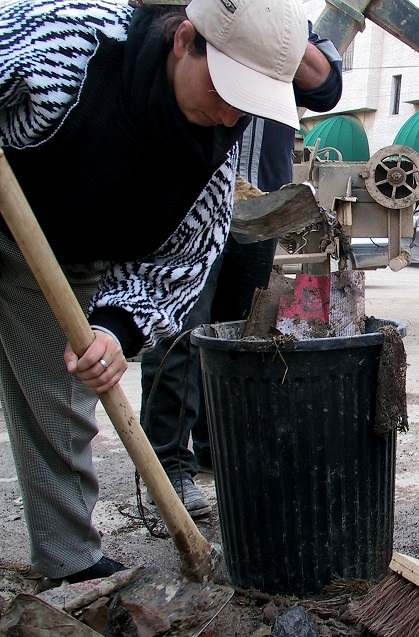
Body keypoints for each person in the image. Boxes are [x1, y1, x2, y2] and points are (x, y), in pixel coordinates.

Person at [0, 0, 314, 585]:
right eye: (223, 89)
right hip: (9, 195)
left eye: (246, 103)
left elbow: (180, 265)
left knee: (64, 406)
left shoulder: (209, 169)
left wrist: (115, 331)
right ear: (183, 39)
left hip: (60, 259)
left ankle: (72, 567)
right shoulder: (70, 41)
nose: (228, 116)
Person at [139, 27, 343, 517]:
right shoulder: (197, 16)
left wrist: (270, 32)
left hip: (261, 205)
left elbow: (327, 86)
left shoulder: (288, 20)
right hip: (188, 196)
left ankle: (222, 451)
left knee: (239, 335)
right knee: (177, 334)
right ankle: (168, 468)